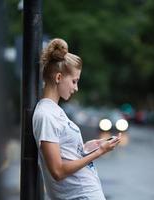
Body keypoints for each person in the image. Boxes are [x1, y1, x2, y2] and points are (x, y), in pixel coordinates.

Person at [32, 38, 122, 200]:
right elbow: (57, 171)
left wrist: (89, 147)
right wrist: (100, 152)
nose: (76, 88)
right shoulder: (46, 115)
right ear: (58, 77)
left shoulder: (55, 111)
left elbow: (66, 152)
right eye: (74, 81)